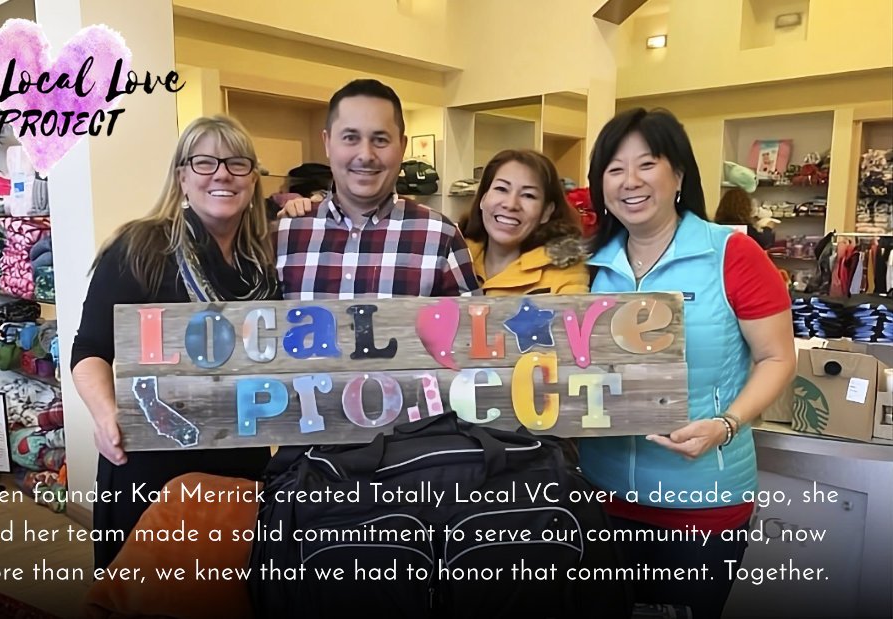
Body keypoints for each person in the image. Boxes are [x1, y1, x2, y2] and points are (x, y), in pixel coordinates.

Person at [579, 108, 795, 618]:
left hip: (702, 500)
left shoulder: (732, 254)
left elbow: (777, 357)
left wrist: (726, 424)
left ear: (678, 174)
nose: (630, 181)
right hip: (599, 495)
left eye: (646, 164)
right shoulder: (588, 265)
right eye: (614, 169)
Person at [70, 115, 279, 569]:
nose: (222, 174)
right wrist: (106, 416)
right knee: (146, 590)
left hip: (239, 461)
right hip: (153, 462)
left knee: (227, 587)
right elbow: (89, 350)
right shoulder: (139, 248)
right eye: (204, 163)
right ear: (182, 176)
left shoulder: (265, 263)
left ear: (253, 179)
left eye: (237, 163)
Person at [276, 78, 479, 299]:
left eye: (380, 140)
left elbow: (473, 320)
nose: (366, 155)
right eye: (350, 138)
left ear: (402, 146)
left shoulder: (441, 235)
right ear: (327, 143)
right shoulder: (284, 234)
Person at [459, 149, 589, 295]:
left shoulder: (565, 274)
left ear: (546, 211)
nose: (511, 204)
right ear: (483, 199)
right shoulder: (452, 256)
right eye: (501, 189)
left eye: (528, 195)